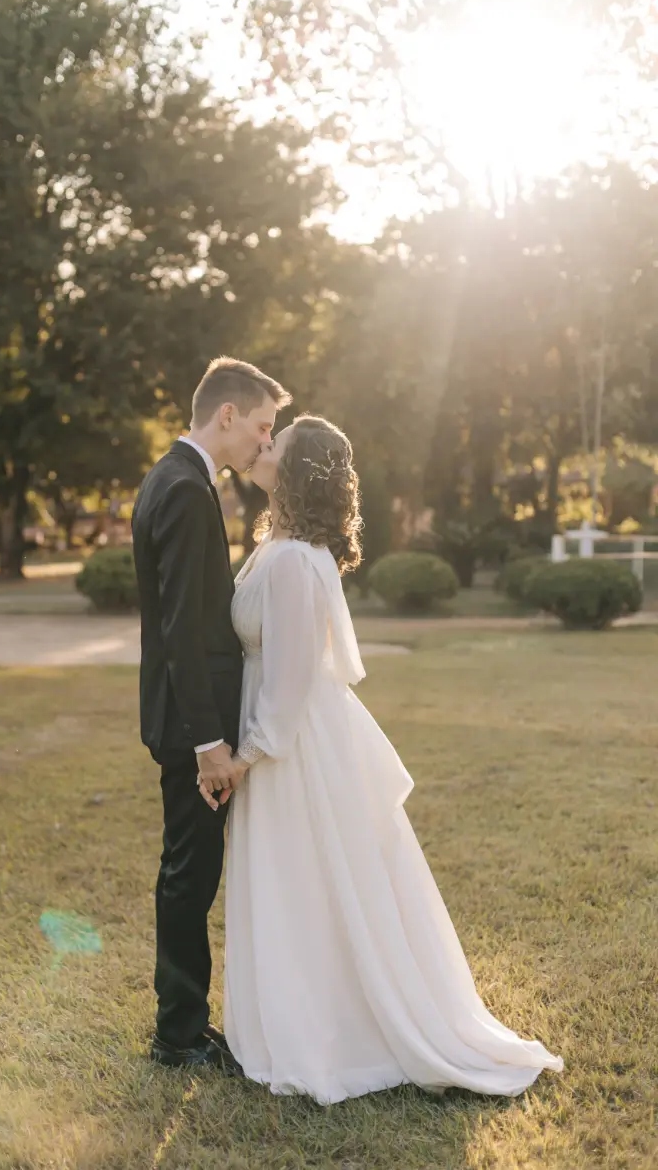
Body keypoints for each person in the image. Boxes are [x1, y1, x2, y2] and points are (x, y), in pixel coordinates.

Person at [203, 415, 564, 1105]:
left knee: (311, 878)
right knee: (295, 880)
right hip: (282, 737)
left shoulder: (298, 560)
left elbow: (293, 676)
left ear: (297, 468)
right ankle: (292, 1017)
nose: (262, 445)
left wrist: (248, 756)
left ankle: (333, 1032)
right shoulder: (275, 546)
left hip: (294, 747)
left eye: (275, 443)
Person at [132, 356, 291, 1073]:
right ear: (226, 415)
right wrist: (208, 744)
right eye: (261, 427)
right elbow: (182, 632)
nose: (264, 443)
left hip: (188, 721)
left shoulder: (178, 479)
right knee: (190, 876)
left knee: (189, 872)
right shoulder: (188, 491)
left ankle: (185, 1024)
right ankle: (179, 1034)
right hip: (192, 728)